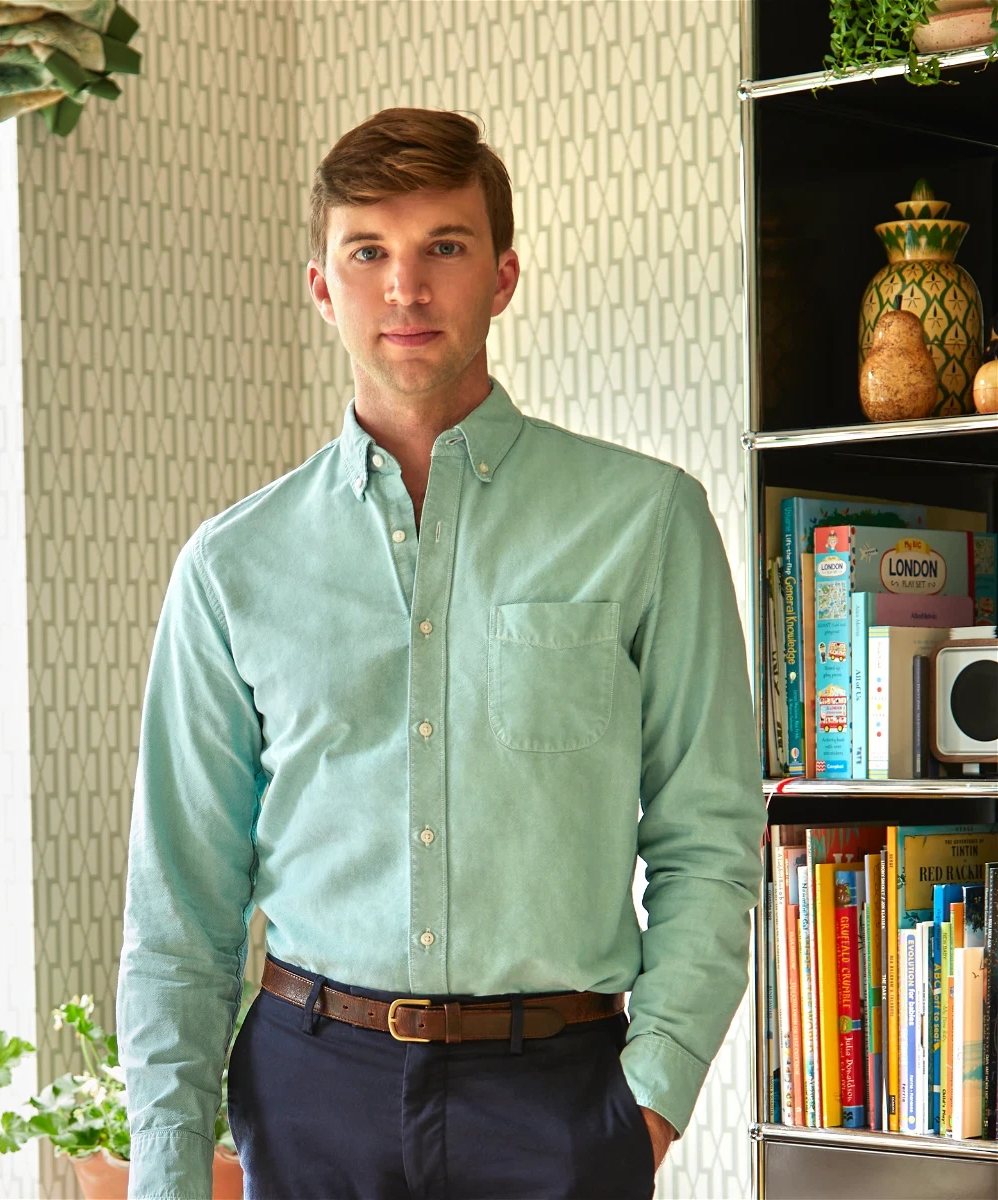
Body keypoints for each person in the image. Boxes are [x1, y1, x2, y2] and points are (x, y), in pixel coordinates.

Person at [117, 107, 765, 1200]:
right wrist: (168, 1167)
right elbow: (181, 897)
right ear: (322, 286)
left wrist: (648, 1101)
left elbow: (711, 836)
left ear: (503, 277)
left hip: (558, 1100)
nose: (404, 290)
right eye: (367, 251)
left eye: (443, 249)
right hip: (307, 1089)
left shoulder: (647, 522)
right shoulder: (232, 566)